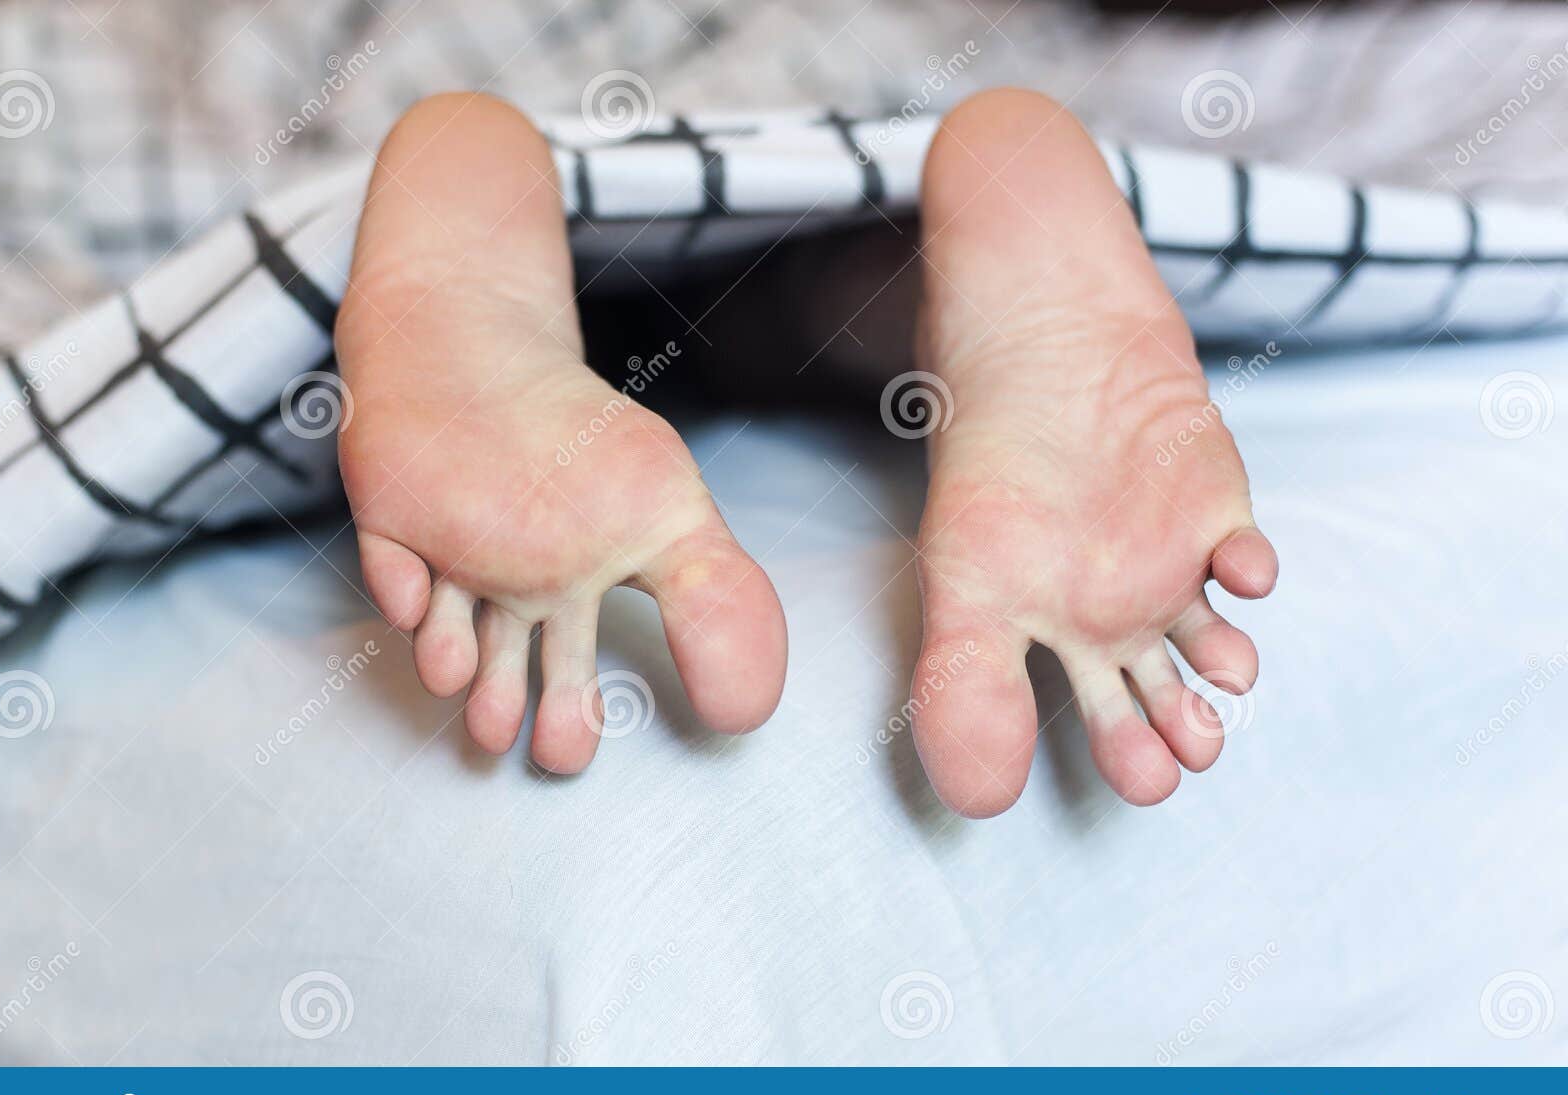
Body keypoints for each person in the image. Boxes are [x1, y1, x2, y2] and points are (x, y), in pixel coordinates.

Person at [335, 87, 1279, 819]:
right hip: (835, 239)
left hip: (622, 256)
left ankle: (467, 213)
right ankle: (937, 283)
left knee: (499, 153)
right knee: (830, 292)